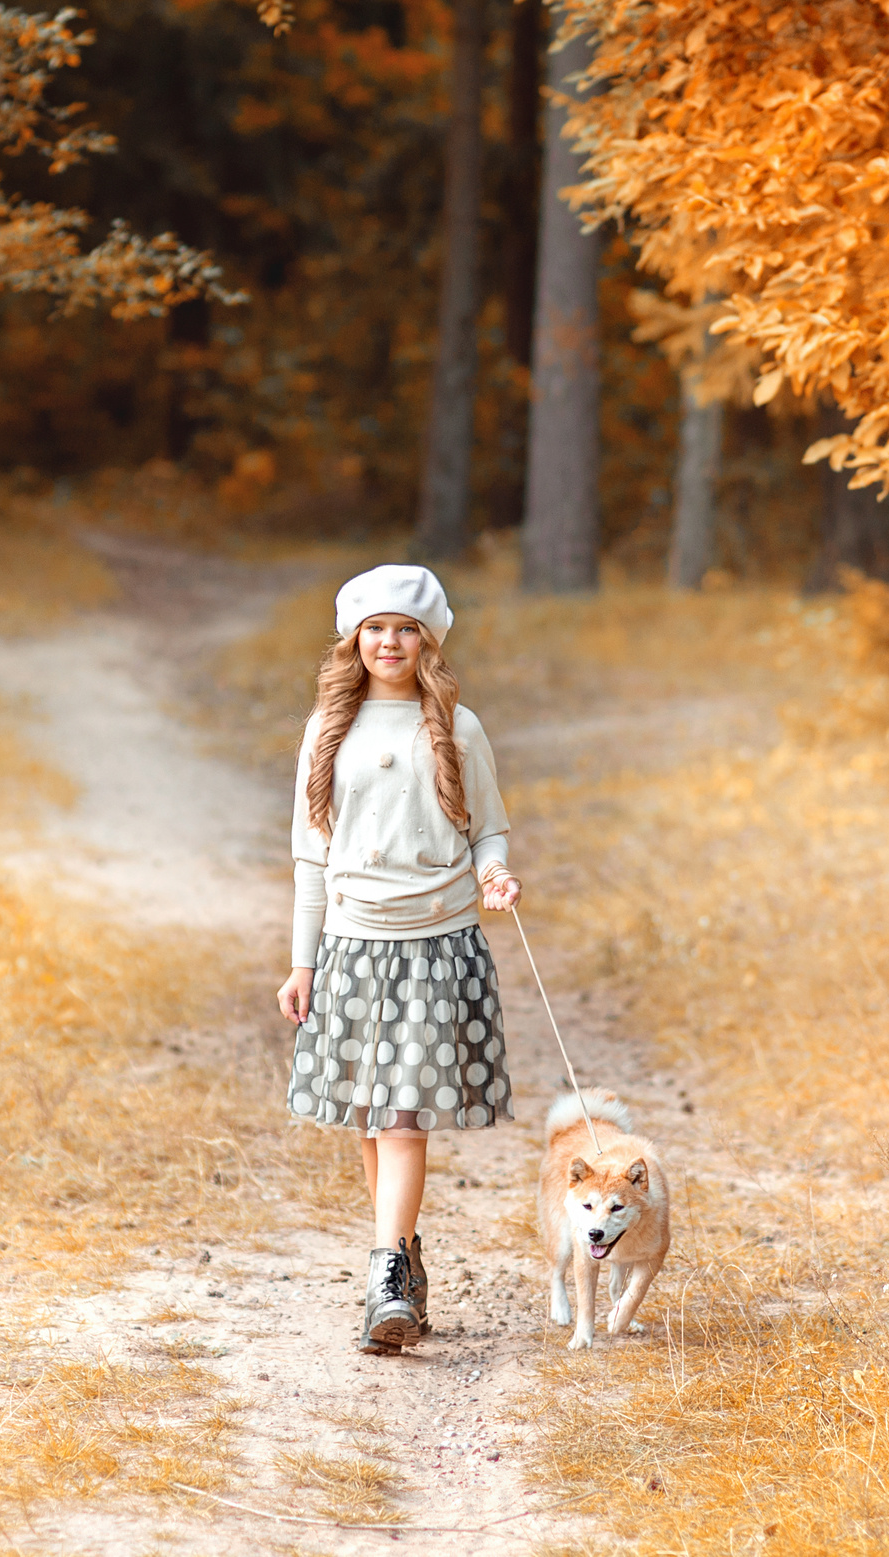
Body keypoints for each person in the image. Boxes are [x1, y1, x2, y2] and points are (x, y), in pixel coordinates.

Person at [276, 563, 520, 1355]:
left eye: (406, 628)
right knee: (370, 1116)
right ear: (354, 638)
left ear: (429, 641)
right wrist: (301, 961)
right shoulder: (327, 729)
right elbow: (312, 856)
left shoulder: (456, 726)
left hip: (434, 941)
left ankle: (383, 1274)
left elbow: (488, 825)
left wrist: (493, 872)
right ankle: (406, 1256)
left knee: (403, 1113)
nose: (390, 641)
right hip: (351, 941)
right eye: (375, 627)